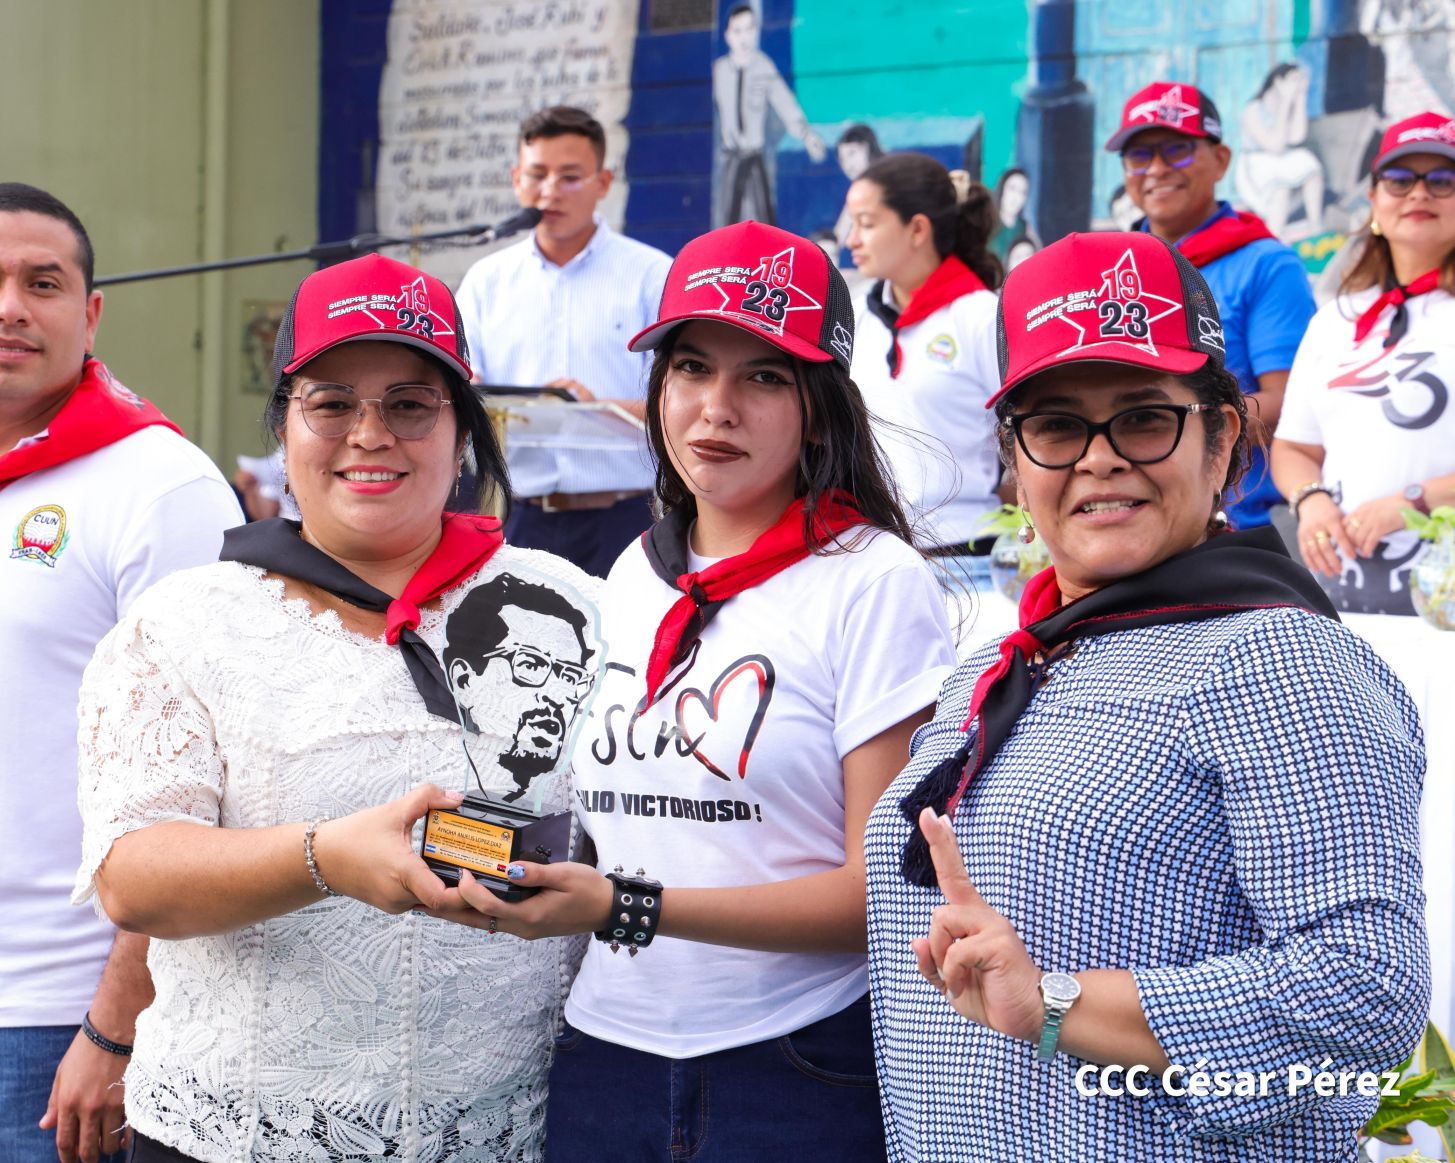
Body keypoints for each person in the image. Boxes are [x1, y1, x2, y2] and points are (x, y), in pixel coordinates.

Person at [864, 230, 1429, 1161]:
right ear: (1015, 461)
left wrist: (1053, 1002)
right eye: (1054, 426)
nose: (1098, 458)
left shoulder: (1275, 659)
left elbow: (1363, 993)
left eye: (1142, 418)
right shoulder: (994, 668)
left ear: (1223, 443)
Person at [432, 221, 957, 1161]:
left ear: (820, 405)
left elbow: (877, 892)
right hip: (605, 1059)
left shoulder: (872, 580)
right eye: (690, 368)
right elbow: (612, 827)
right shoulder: (632, 572)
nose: (716, 408)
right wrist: (483, 850)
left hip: (792, 1066)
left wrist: (623, 905)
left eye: (762, 377)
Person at [72, 252, 601, 1162]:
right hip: (233, 1133)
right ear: (283, 428)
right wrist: (322, 857)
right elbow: (133, 874)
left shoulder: (579, 608)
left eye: (409, 404)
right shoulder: (189, 621)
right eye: (331, 403)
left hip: (508, 1126)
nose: (370, 433)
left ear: (463, 433)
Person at [0, 183, 241, 1163]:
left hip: (51, 1021)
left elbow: (220, 781)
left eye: (41, 282)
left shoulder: (160, 488)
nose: (11, 304)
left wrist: (114, 1019)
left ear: (90, 311)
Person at [455, 105, 672, 576]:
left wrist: (591, 410)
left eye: (570, 176)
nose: (550, 191)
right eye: (537, 175)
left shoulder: (652, 275)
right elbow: (463, 393)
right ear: (516, 180)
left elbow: (680, 403)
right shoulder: (486, 281)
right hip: (519, 519)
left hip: (627, 521)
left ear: (603, 183)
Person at [1106, 79, 1316, 529]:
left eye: (1176, 150)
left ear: (1220, 160)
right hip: (1130, 514)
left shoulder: (1268, 264)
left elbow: (1293, 403)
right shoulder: (1114, 267)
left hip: (1237, 522)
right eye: (1139, 155)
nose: (1157, 169)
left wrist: (1171, 424)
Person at [1272, 110, 1455, 614]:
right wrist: (1311, 501)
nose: (1419, 193)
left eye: (1443, 180)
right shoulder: (1335, 319)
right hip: (1342, 601)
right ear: (1373, 200)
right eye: (1399, 180)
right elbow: (1293, 447)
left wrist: (1417, 500)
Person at [845, 153, 1004, 576]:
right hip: (871, 558)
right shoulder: (856, 317)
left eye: (867, 223)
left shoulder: (981, 318)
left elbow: (1027, 436)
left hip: (969, 559)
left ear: (917, 228)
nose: (851, 239)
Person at [712, 3, 828, 227]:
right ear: (727, 35)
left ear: (757, 31)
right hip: (731, 157)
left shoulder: (763, 67)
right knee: (725, 222)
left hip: (755, 155)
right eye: (737, 31)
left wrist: (806, 135)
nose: (744, 37)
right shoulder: (719, 70)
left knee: (765, 220)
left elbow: (784, 102)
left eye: (749, 29)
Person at [1235, 63, 1326, 239]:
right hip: (1257, 164)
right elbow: (1274, 146)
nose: (1298, 83)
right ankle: (1275, 237)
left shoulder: (1291, 103)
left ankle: (1316, 225)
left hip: (1280, 160)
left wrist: (1300, 97)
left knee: (1311, 165)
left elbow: (1297, 137)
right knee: (1280, 189)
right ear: (1278, 81)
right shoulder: (1253, 109)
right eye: (1294, 79)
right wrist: (1286, 101)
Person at [990, 167, 1039, 263]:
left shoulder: (1025, 228)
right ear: (1002, 188)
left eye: (1023, 192)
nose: (1016, 197)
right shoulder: (986, 223)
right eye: (1012, 188)